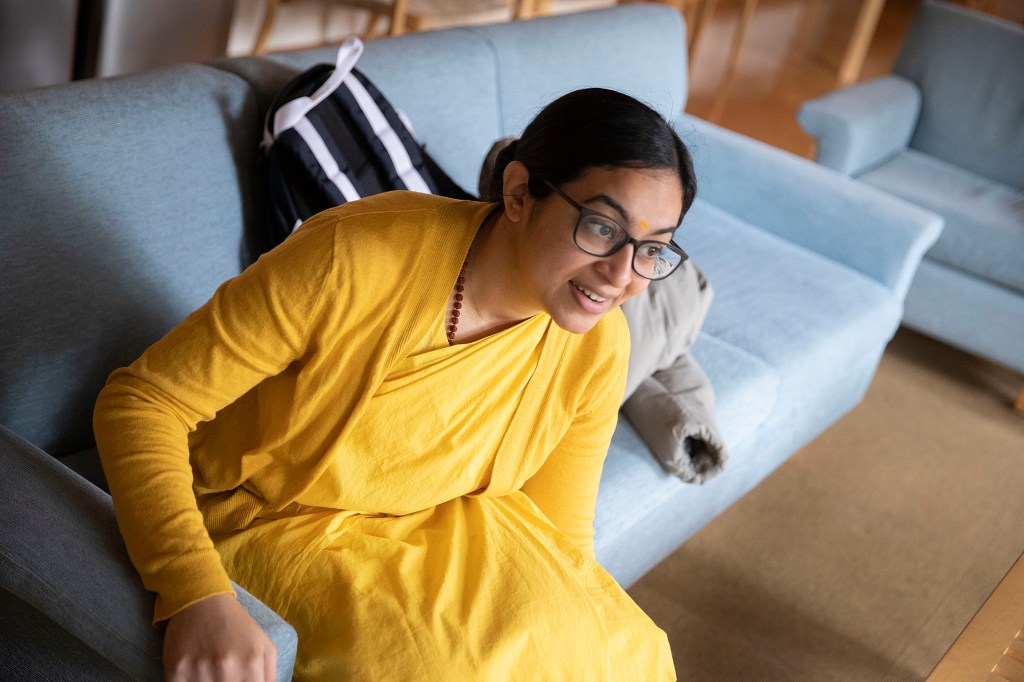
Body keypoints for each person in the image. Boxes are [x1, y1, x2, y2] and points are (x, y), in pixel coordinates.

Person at [94, 87, 697, 681]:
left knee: (625, 651)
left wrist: (572, 623)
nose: (621, 275)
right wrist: (196, 594)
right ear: (519, 193)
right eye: (600, 227)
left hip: (451, 522)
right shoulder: (353, 257)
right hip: (275, 518)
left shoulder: (598, 342)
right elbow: (142, 404)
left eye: (653, 250)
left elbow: (559, 537)